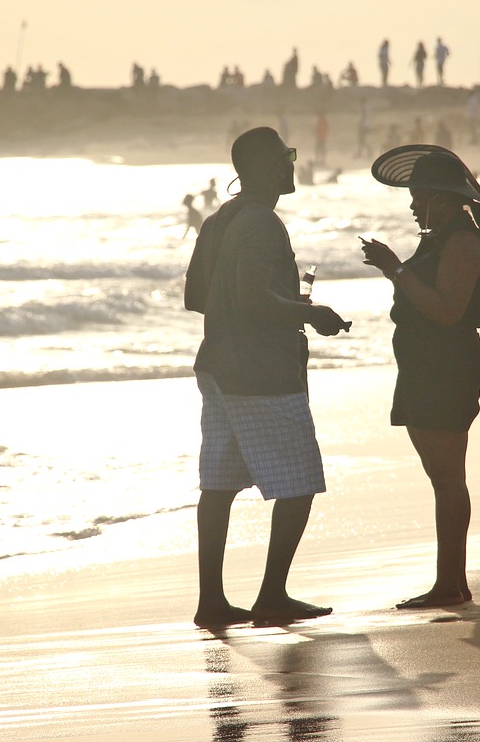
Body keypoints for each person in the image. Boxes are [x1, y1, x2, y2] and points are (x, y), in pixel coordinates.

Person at [184, 127, 350, 628]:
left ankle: (211, 601)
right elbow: (254, 299)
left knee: (218, 485)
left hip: (218, 366)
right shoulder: (261, 224)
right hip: (259, 372)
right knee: (299, 480)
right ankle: (272, 596)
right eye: (286, 157)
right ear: (263, 168)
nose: (291, 164)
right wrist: (310, 312)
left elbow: (197, 297)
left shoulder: (220, 220)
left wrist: (275, 304)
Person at [360, 145, 480, 609]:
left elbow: (446, 311)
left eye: (419, 196)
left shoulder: (461, 241)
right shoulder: (441, 236)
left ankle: (450, 584)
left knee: (447, 479)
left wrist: (393, 268)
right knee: (445, 477)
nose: (412, 204)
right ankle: (452, 583)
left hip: (446, 367)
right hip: (428, 367)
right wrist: (397, 270)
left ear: (441, 198)